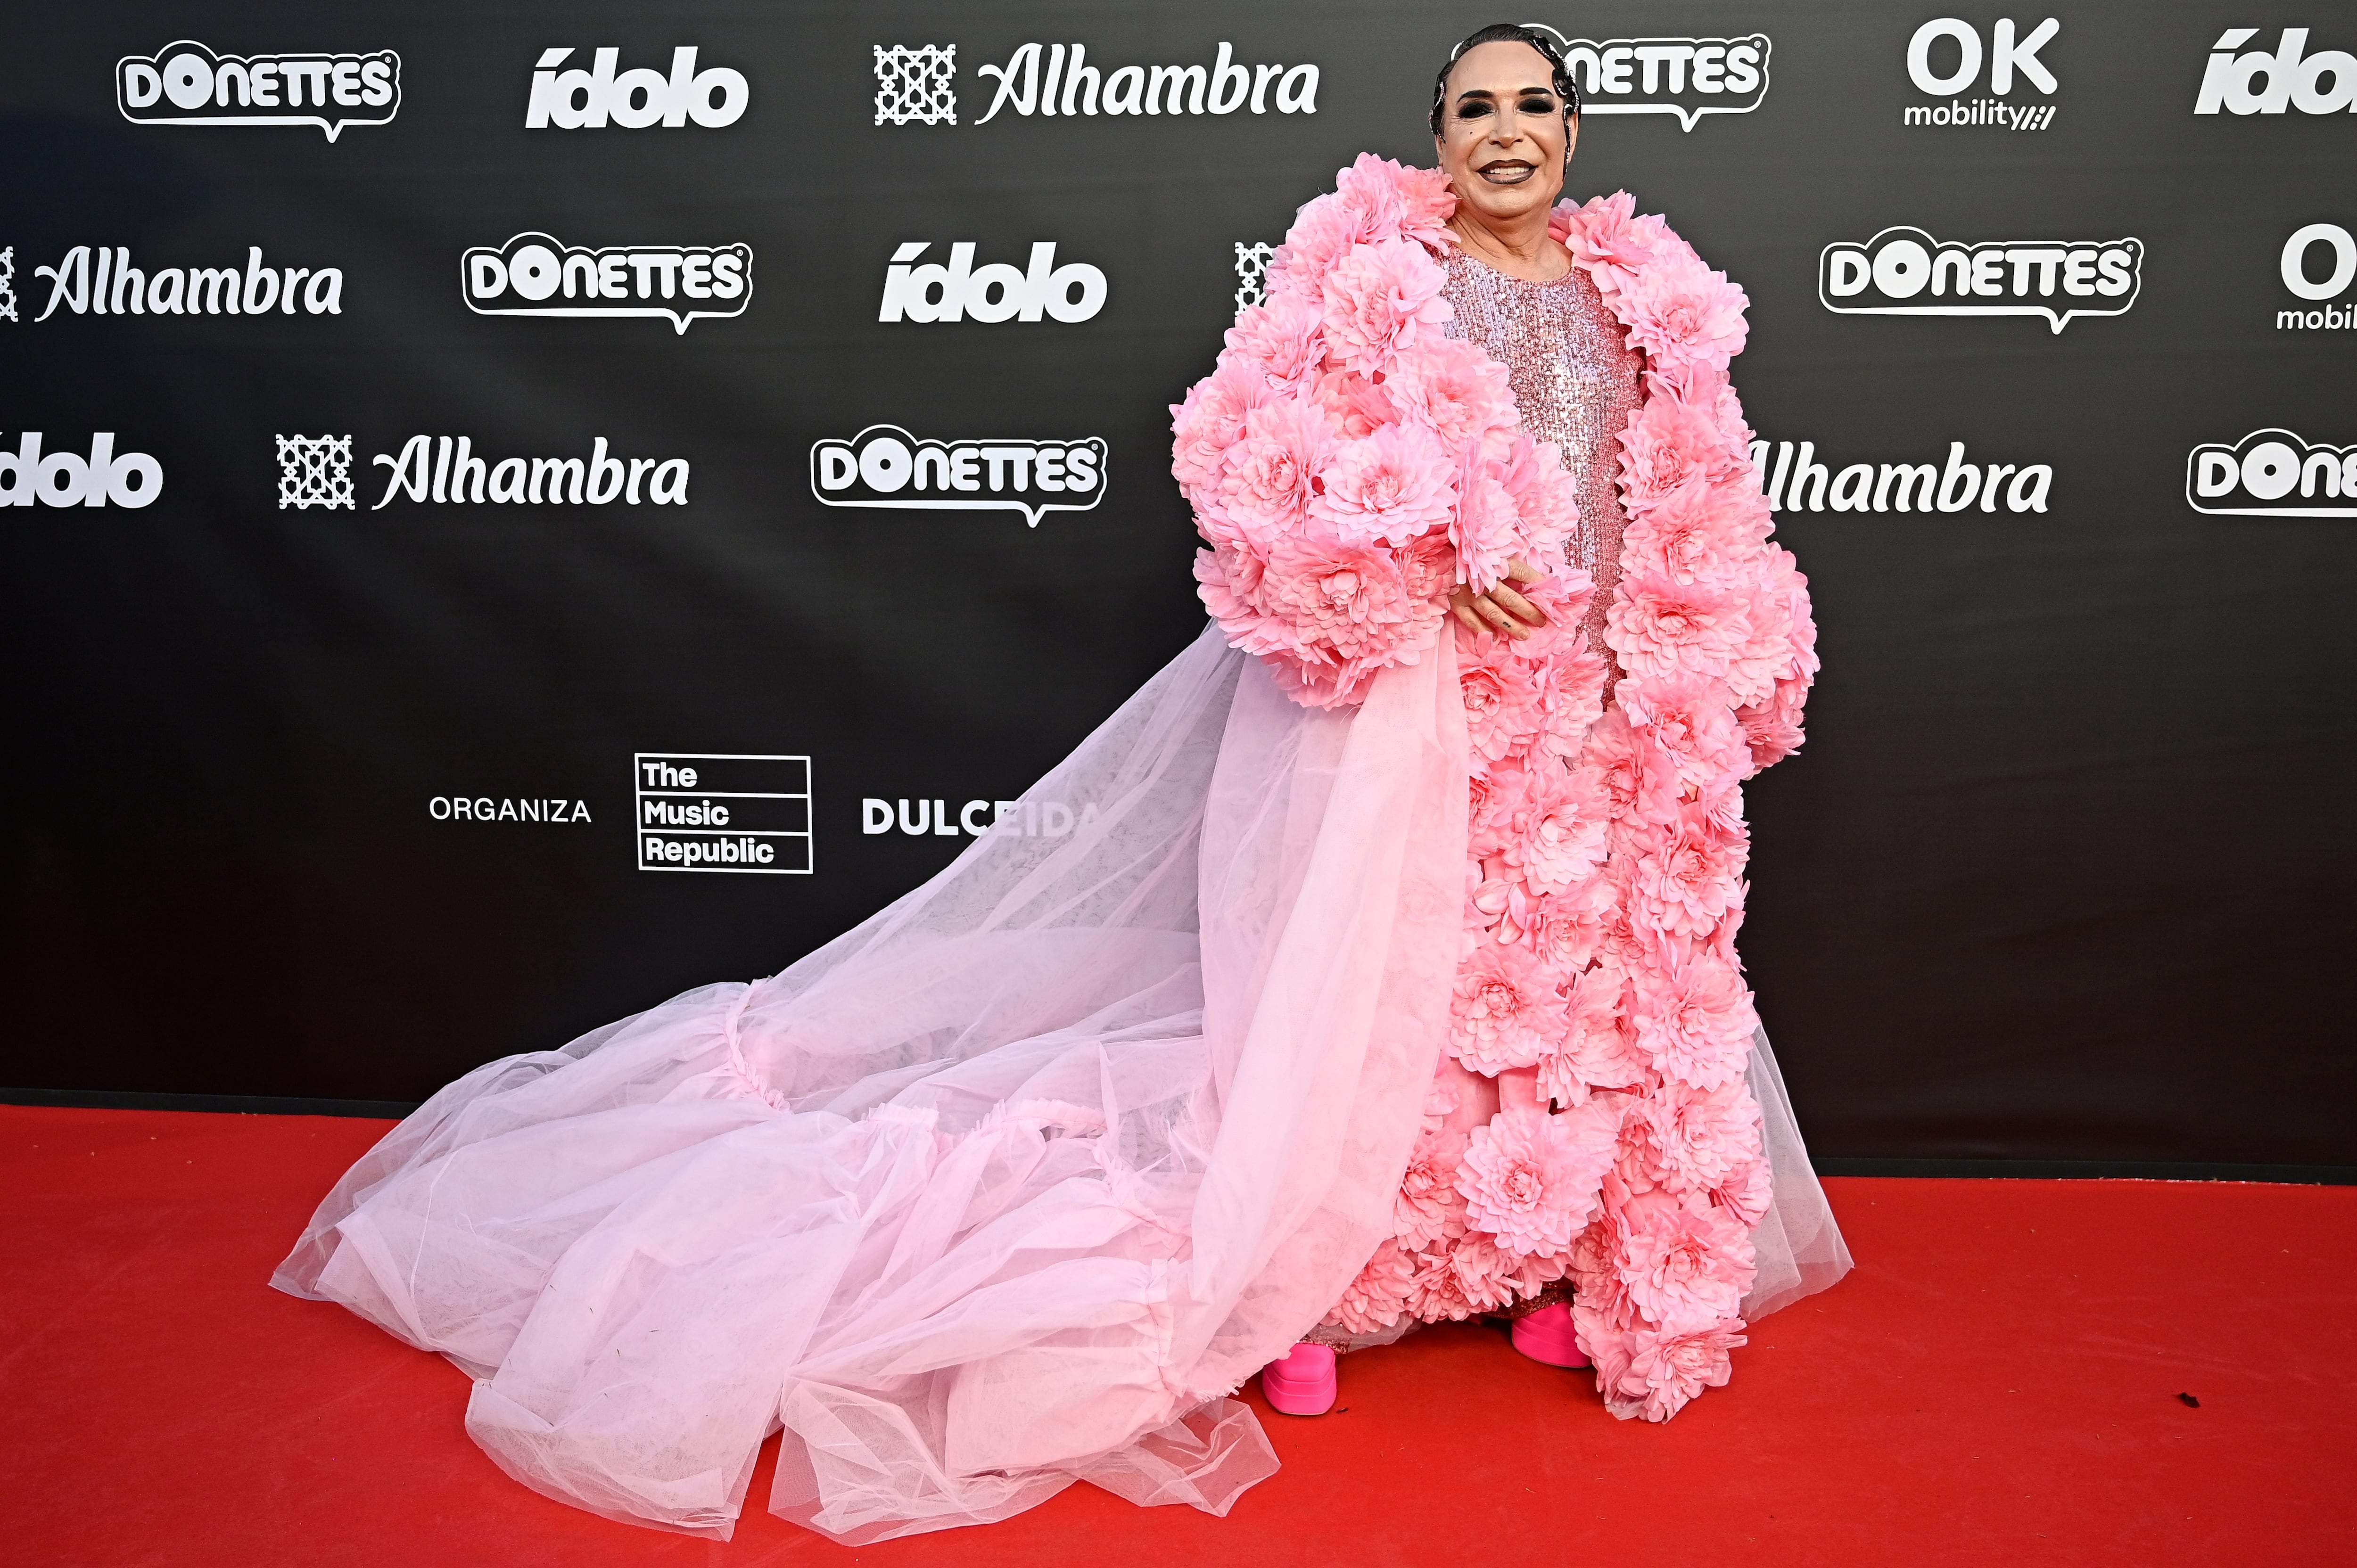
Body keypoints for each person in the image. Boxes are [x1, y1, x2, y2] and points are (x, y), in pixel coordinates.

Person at [273, 23, 1846, 1548]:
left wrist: (1684, 652)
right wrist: (1430, 573)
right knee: (1381, 988)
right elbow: (1262, 470)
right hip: (1423, 709)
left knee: (1566, 996)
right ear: (1439, 141)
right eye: (1475, 109)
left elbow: (1689, 495)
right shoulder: (1381, 279)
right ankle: (1313, 1293)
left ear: (1575, 131)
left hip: (1597, 714)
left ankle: (1533, 1261)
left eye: (1535, 106)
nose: (1507, 132)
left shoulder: (1640, 298)